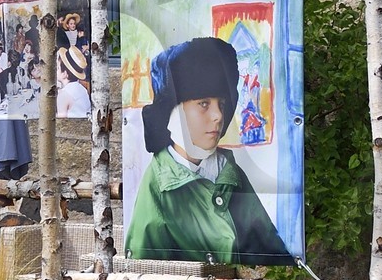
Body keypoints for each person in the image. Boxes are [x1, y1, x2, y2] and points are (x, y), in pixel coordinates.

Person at [124, 35, 292, 264]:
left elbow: (272, 253)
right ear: (173, 111)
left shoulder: (231, 174)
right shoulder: (159, 185)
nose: (218, 116)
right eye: (203, 104)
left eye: (221, 104)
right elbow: (143, 275)